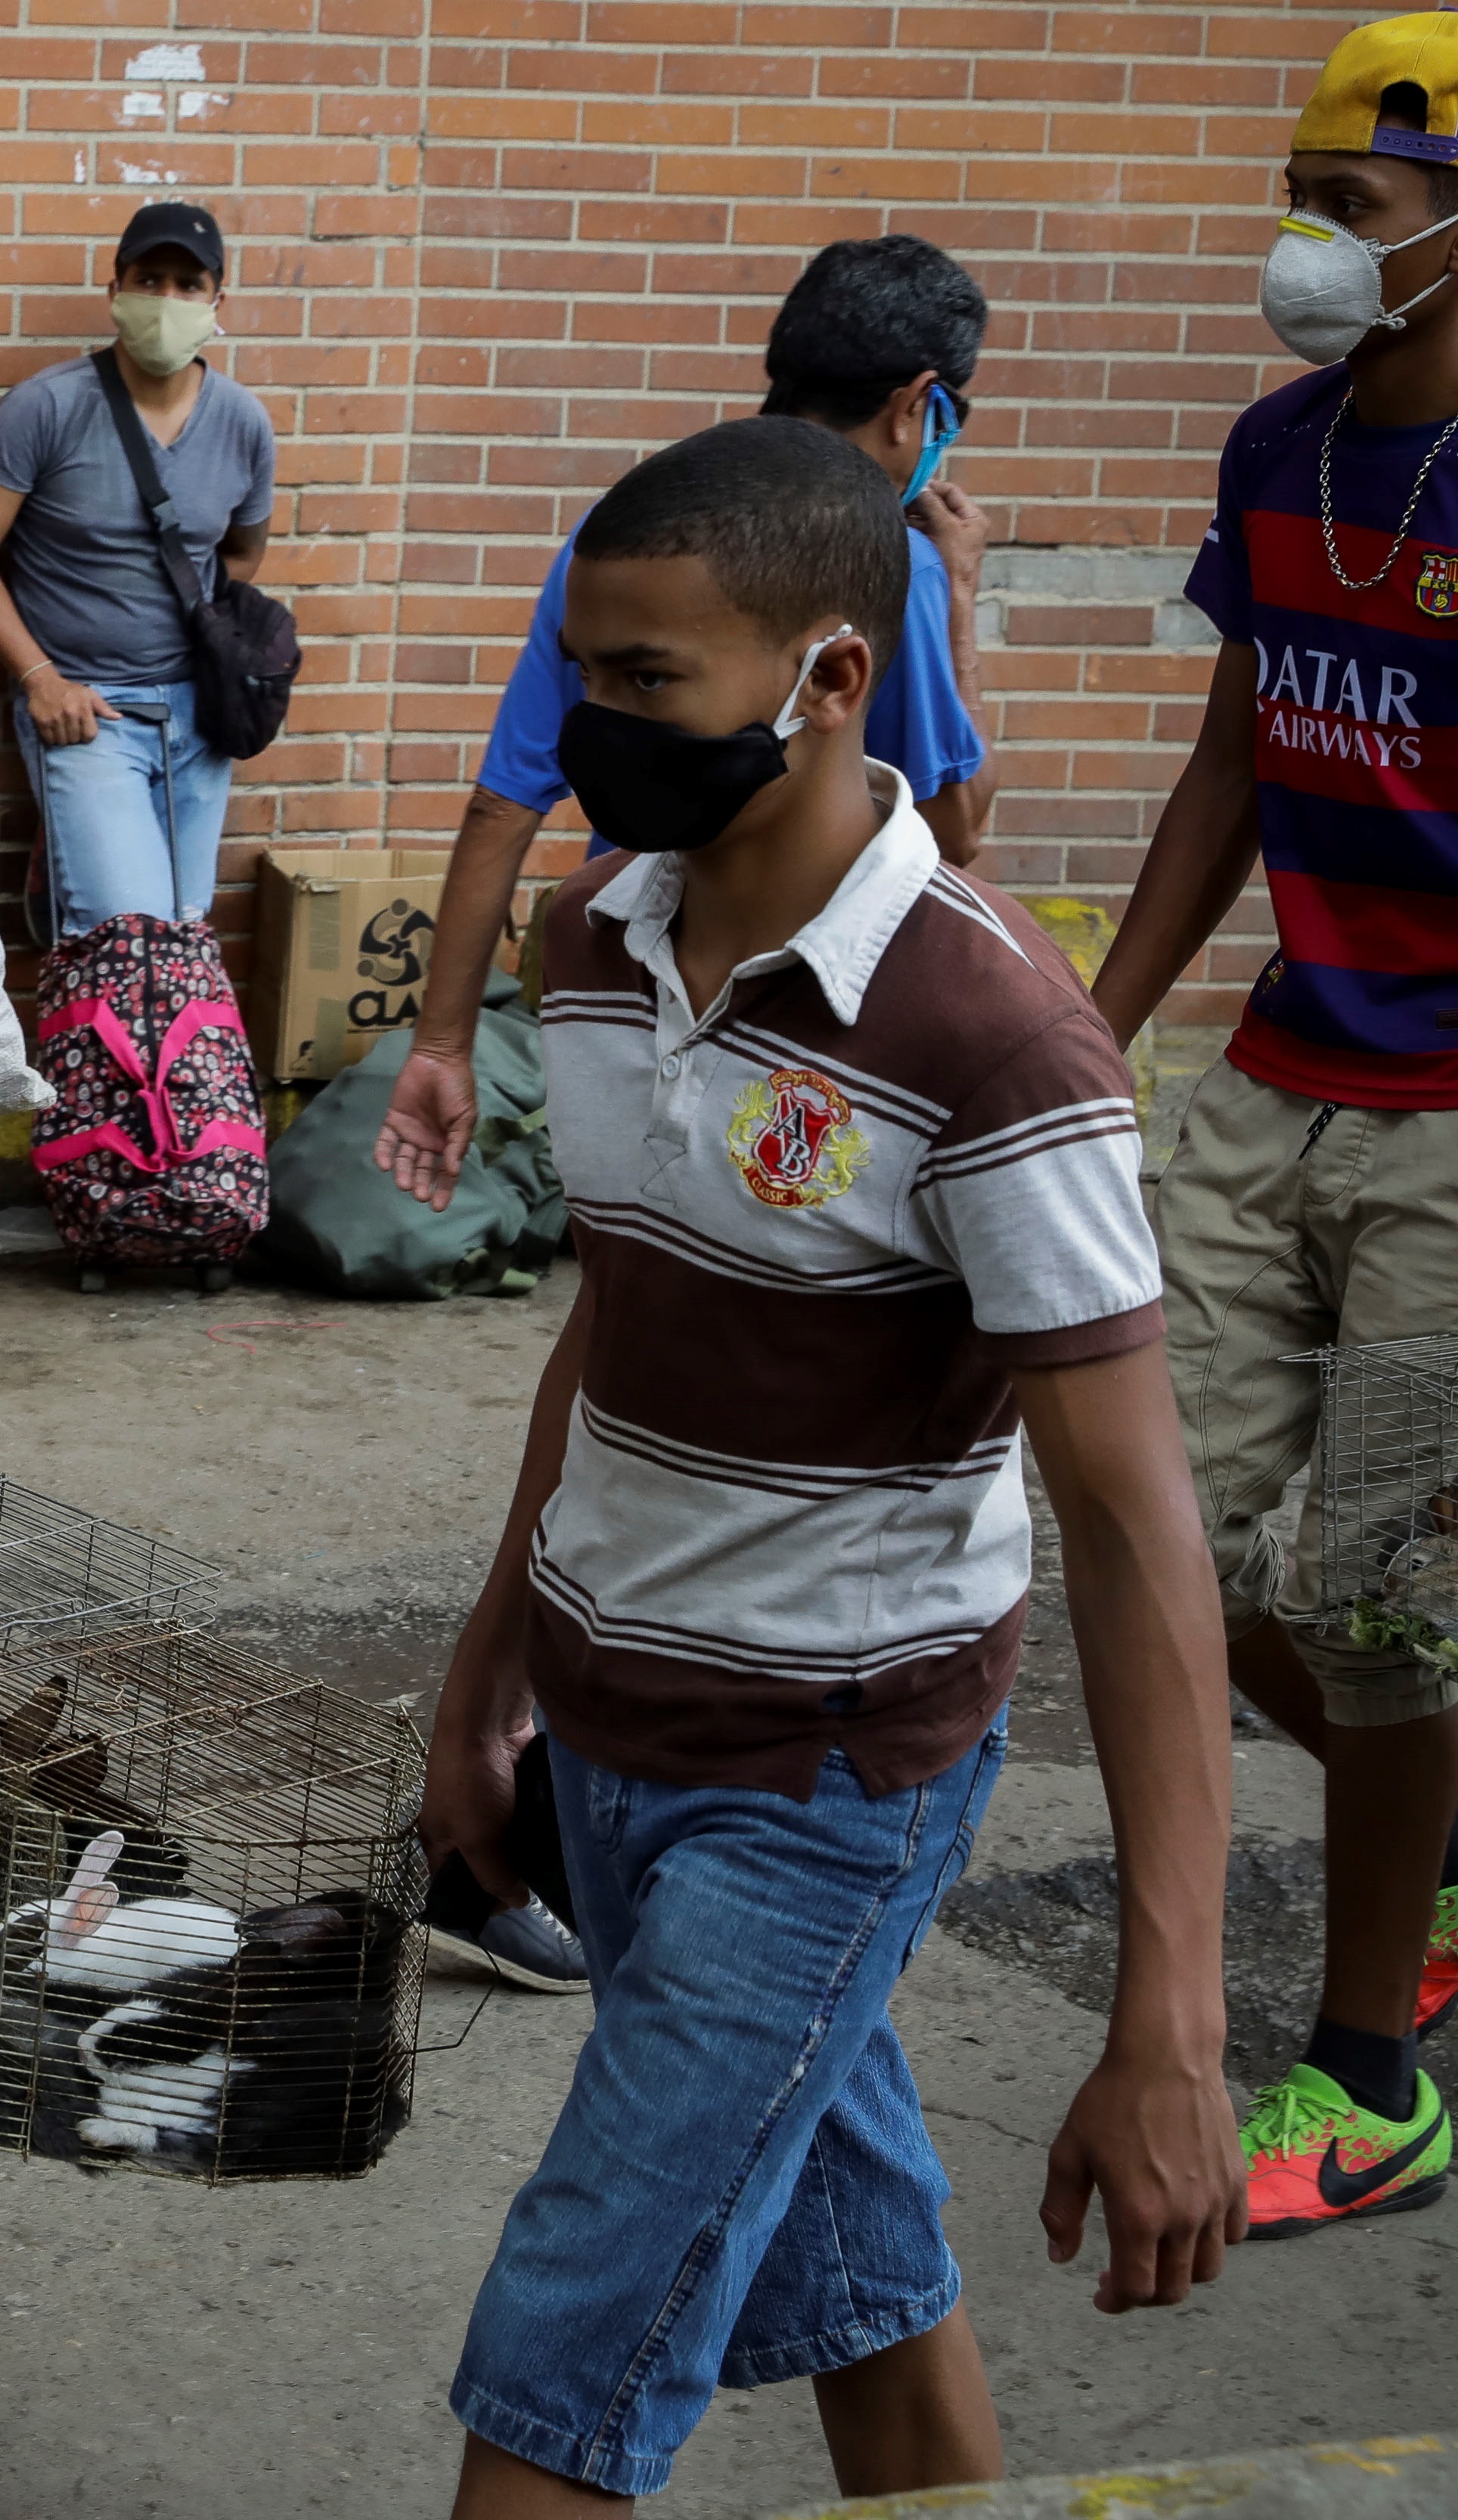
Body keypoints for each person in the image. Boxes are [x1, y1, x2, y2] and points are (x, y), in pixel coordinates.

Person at [423, 418, 1242, 2512]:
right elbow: (614, 1330)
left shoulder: (997, 1042)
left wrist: (1173, 2019)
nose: (591, 730)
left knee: (562, 2359)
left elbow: (1141, 1536)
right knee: (855, 2284)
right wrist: (489, 1663)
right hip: (611, 1737)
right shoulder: (597, 953)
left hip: (827, 1776)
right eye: (578, 672)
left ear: (833, 678)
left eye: (645, 684)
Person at [1089, 13, 1458, 2242]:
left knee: (1387, 1600)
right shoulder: (1273, 448)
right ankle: (1425, 1824)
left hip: (1445, 1130)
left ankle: (1364, 2065)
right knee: (1170, 1559)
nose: (1305, 251)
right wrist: (1095, 1024)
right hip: (1269, 1077)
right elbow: (1235, 753)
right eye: (1304, 204)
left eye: (1355, 212)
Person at [378, 236, 1000, 1213]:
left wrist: (442, 1043)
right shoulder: (899, 574)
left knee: (635, 1268)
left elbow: (502, 805)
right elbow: (959, 828)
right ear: (918, 406)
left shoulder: (621, 542)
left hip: (631, 999)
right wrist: (960, 597)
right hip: (815, 1033)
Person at [0, 200, 276, 935]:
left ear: (215, 301)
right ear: (114, 291)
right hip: (85, 715)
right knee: (124, 935)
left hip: (200, 720)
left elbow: (241, 554)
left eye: (187, 285)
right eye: (148, 279)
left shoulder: (241, 423)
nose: (165, 301)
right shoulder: (45, 408)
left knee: (183, 933)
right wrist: (39, 678)